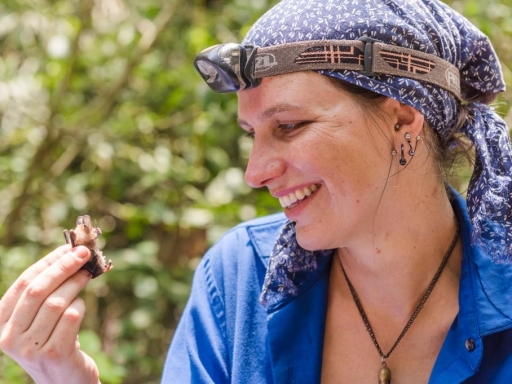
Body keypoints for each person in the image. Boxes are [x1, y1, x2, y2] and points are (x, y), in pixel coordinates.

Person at [1, 0, 512, 383]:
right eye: (252, 136)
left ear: (403, 120)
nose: (255, 173)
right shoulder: (239, 278)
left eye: (288, 126)